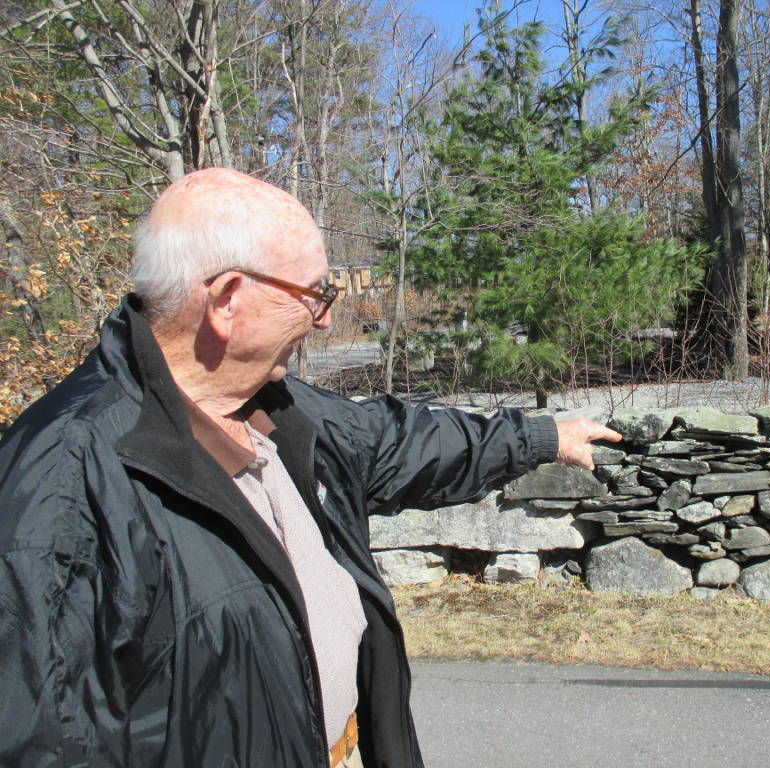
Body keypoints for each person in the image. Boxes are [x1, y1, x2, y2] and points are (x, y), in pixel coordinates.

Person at [0, 168, 620, 767]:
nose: (324, 321)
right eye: (314, 296)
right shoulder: (62, 479)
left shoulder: (279, 411)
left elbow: (405, 439)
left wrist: (541, 436)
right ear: (226, 300)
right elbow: (47, 738)